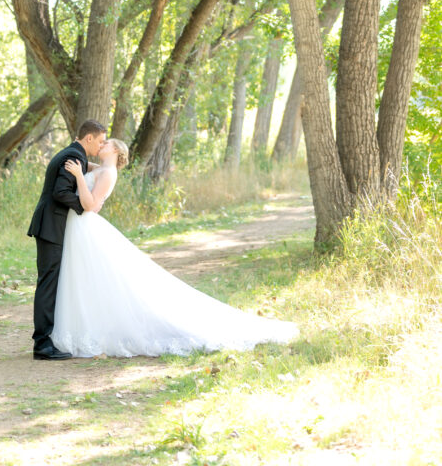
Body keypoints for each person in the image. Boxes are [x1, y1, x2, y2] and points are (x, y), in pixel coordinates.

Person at [51, 138, 299, 358]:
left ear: (115, 149)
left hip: (87, 222)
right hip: (80, 228)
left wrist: (77, 179)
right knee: (87, 278)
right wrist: (81, 168)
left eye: (106, 143)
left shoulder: (108, 173)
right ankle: (85, 326)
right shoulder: (103, 168)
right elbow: (93, 171)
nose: (101, 145)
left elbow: (92, 204)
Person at [27, 119, 107, 360]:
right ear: (88, 138)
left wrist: (95, 169)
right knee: (48, 283)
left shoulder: (73, 154)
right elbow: (60, 192)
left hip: (50, 224)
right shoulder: (74, 157)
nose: (101, 146)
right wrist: (86, 207)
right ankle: (42, 344)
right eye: (100, 141)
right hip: (51, 226)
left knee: (50, 281)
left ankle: (46, 339)